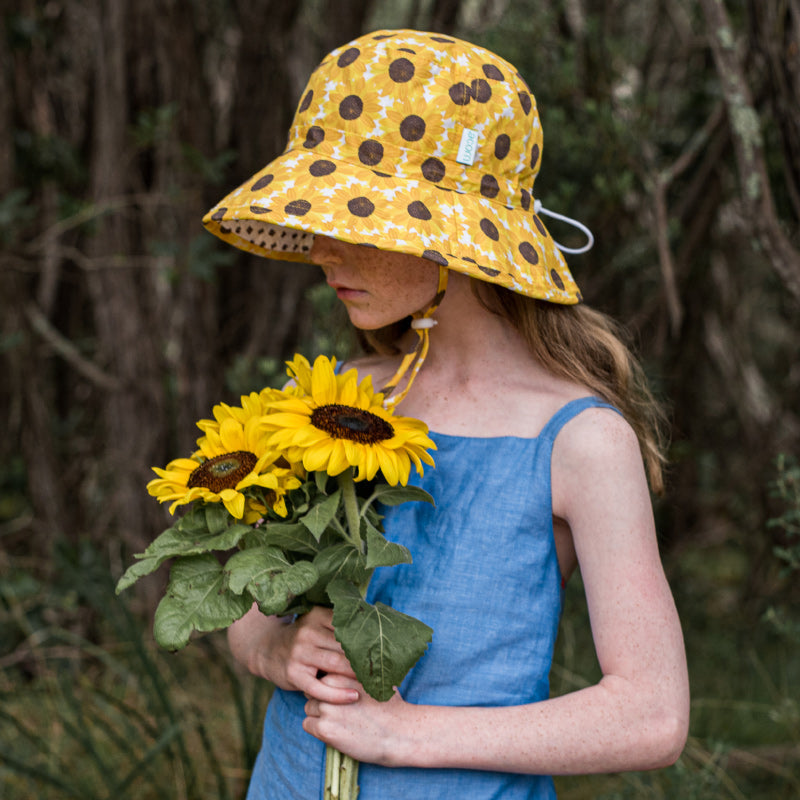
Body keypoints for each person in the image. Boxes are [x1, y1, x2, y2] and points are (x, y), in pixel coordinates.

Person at [203, 28, 689, 800]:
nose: (323, 247)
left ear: (451, 236)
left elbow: (652, 715)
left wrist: (405, 734)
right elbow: (249, 615)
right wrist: (276, 651)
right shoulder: (336, 398)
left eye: (355, 221)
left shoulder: (579, 439)